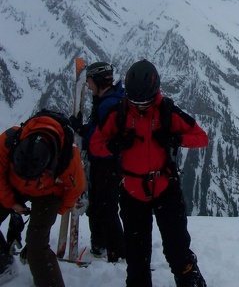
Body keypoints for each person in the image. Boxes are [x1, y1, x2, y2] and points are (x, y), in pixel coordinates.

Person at [90, 59, 209, 287]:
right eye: (136, 102)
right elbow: (95, 145)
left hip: (164, 188)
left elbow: (202, 138)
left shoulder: (166, 111)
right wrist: (113, 145)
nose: (141, 106)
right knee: (136, 257)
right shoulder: (119, 114)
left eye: (145, 102)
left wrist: (177, 139)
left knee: (178, 250)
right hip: (133, 193)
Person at [0, 110, 86, 287]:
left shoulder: (67, 157)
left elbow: (75, 188)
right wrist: (11, 203)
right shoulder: (8, 140)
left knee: (37, 246)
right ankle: (4, 265)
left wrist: (59, 210)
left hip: (48, 192)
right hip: (14, 184)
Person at [72, 61, 126, 261]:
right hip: (105, 163)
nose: (88, 86)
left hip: (107, 164)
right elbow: (99, 132)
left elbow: (98, 140)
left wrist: (82, 134)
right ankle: (102, 244)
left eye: (89, 82)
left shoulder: (108, 105)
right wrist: (84, 130)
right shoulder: (108, 101)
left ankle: (116, 250)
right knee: (100, 205)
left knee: (105, 206)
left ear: (98, 81)